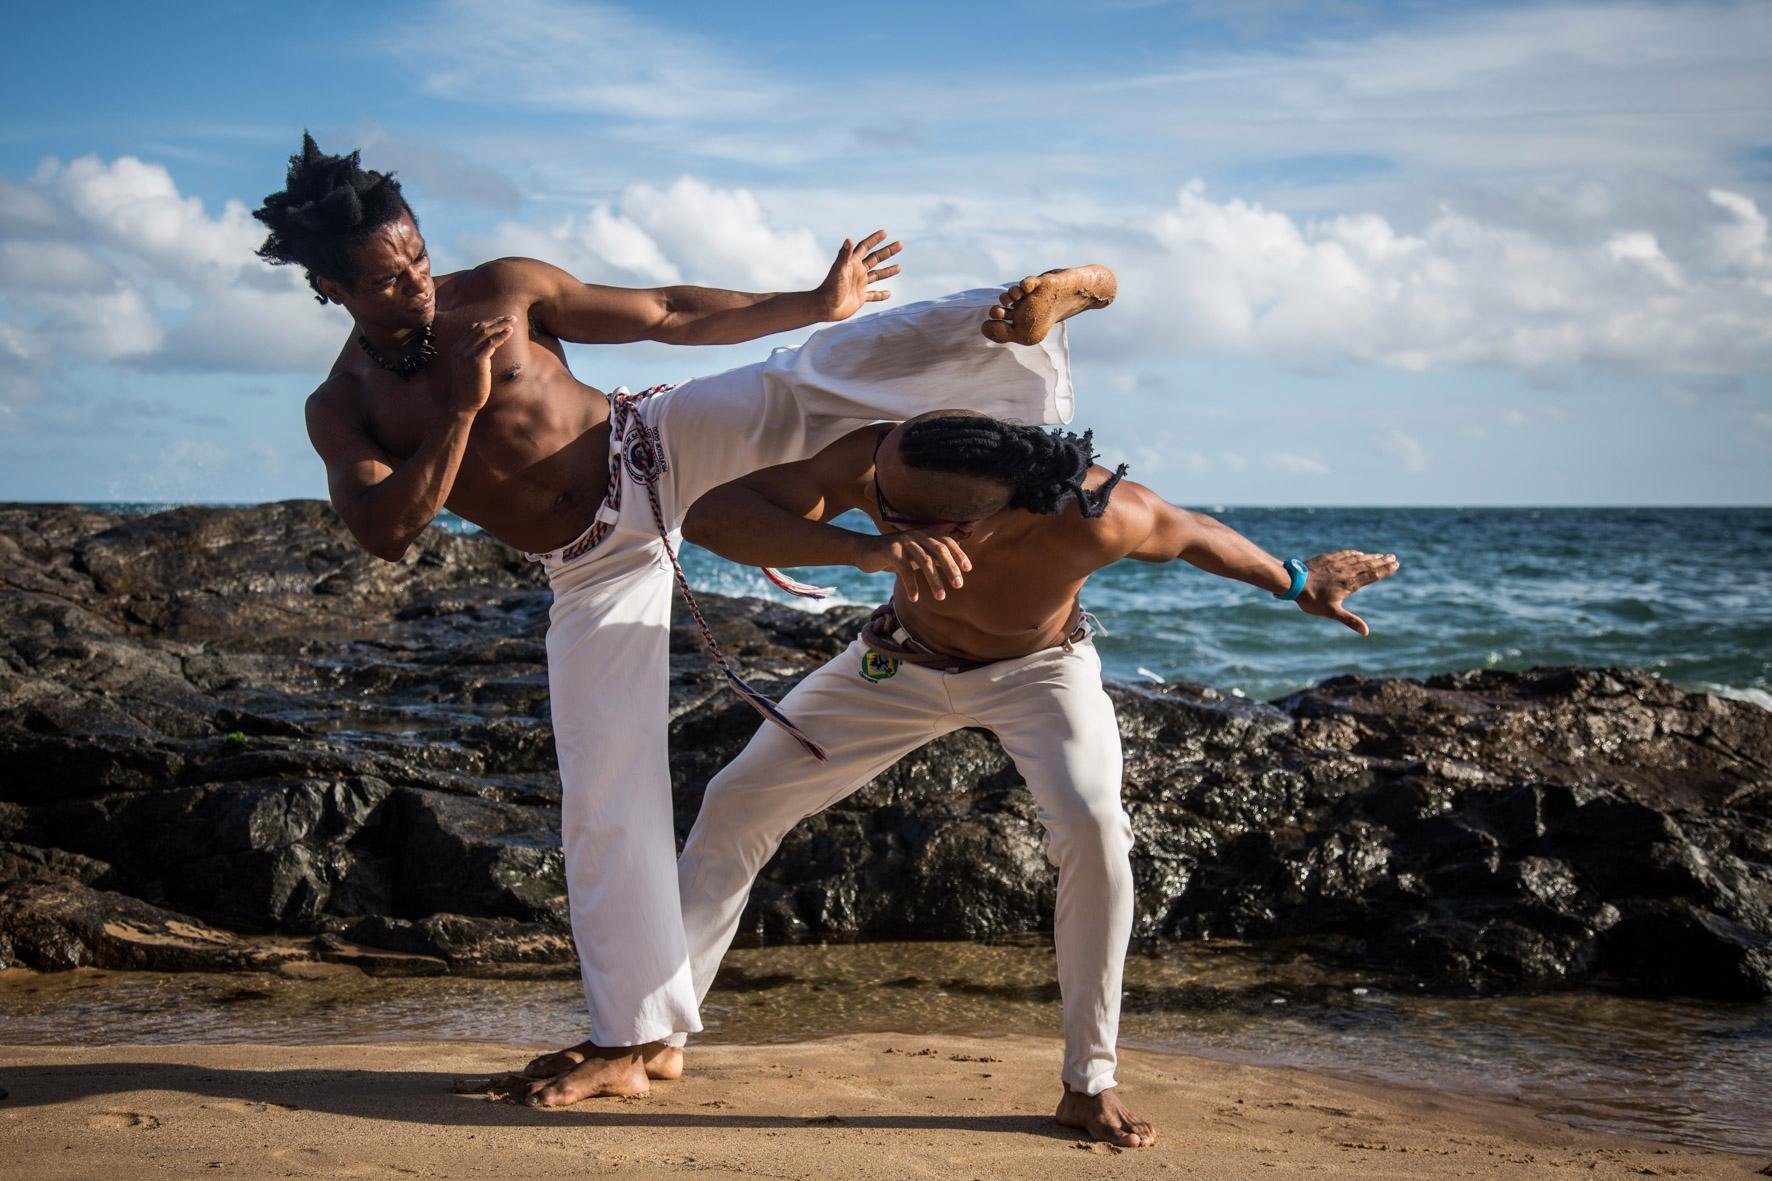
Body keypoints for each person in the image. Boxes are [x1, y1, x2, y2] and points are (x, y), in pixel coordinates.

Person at [253, 134, 1119, 1103]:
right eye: (383, 281)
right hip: (587, 567)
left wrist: (806, 300)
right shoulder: (342, 405)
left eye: (416, 258)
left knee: (811, 374)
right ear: (329, 287)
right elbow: (385, 530)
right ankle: (635, 1038)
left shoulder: (500, 289)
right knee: (603, 792)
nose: (416, 287)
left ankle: (1020, 313)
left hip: (652, 445)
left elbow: (665, 312)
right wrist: (456, 409)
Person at [648, 411, 1398, 1146]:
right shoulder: (894, 456)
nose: (876, 495)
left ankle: (1089, 1080)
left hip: (1041, 675)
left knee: (1096, 829)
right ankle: (654, 1032)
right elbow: (715, 513)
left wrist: (1299, 578)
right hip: (895, 662)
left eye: (894, 508)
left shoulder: (1102, 516)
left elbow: (1197, 533)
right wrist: (862, 549)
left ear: (972, 524)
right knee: (737, 800)